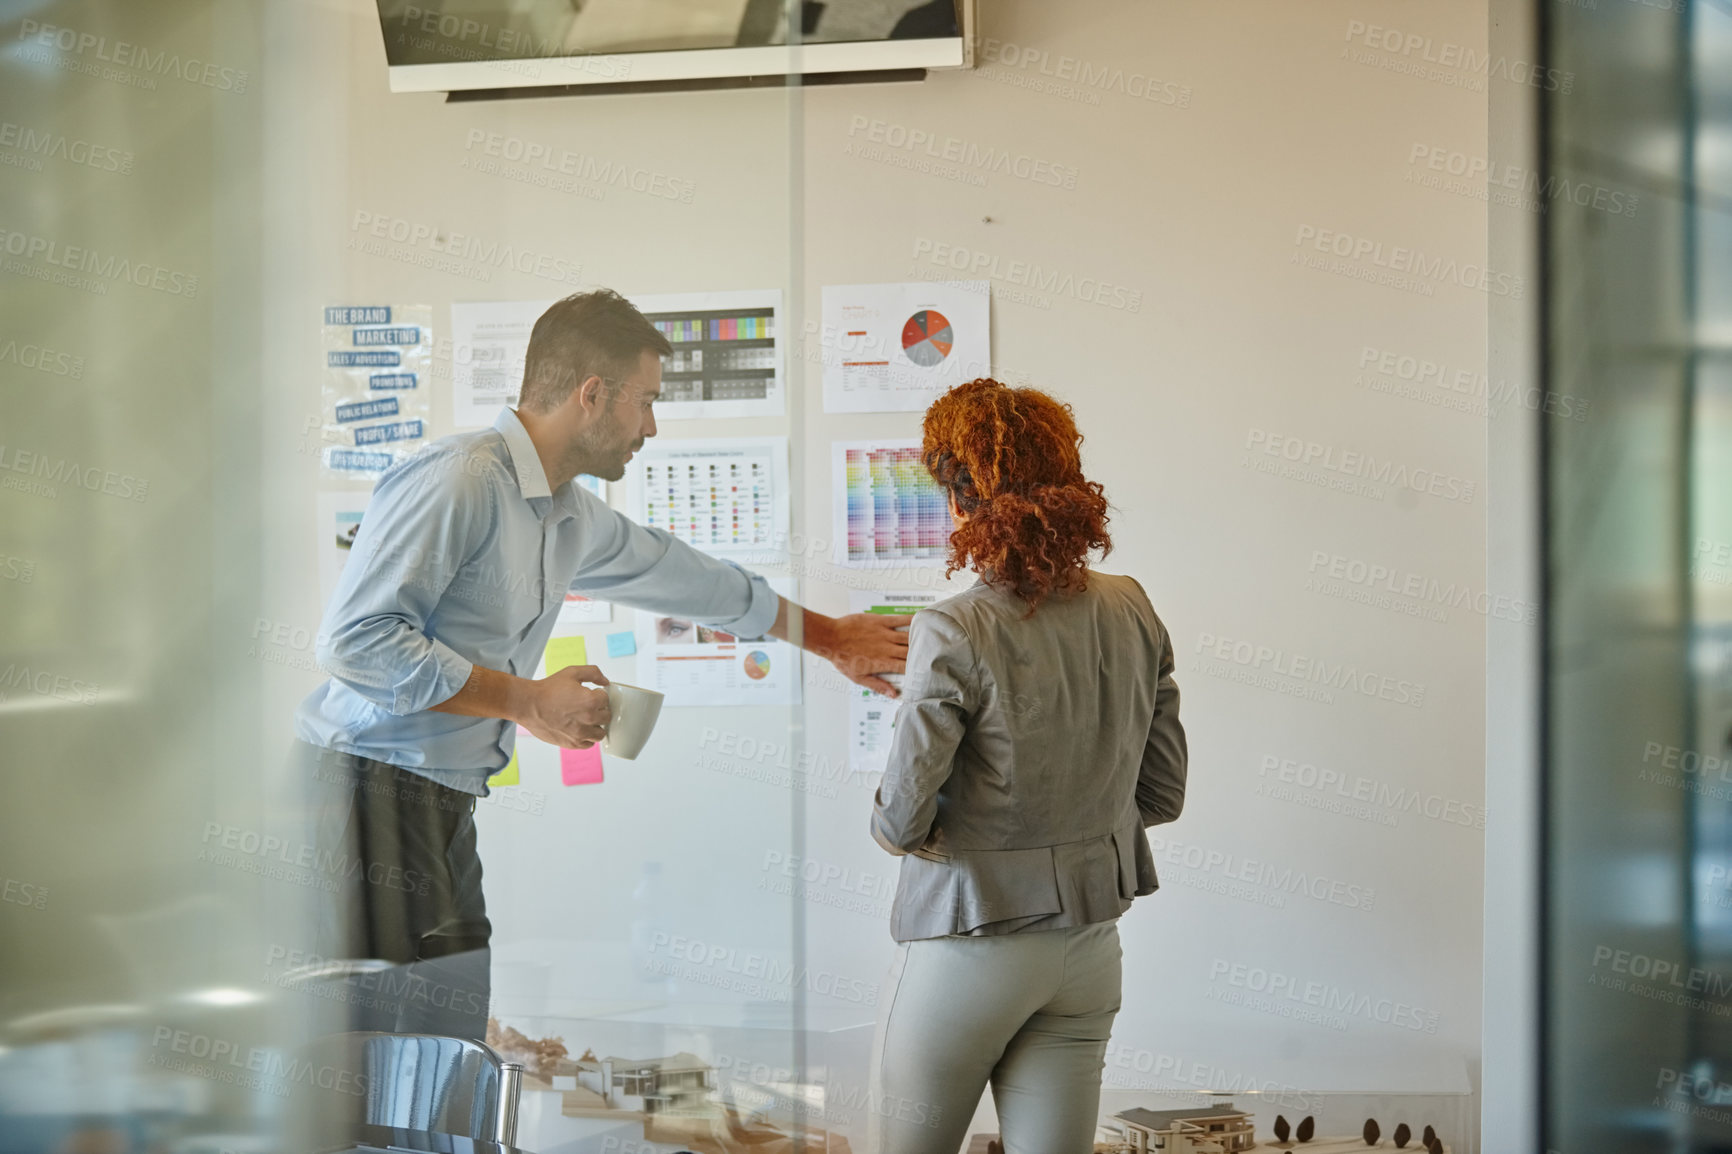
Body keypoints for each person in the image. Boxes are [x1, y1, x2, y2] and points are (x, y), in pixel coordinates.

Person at [293, 289, 911, 1042]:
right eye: (646, 402)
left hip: (443, 802)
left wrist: (828, 637)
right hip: (361, 795)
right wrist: (523, 701)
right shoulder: (460, 480)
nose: (651, 426)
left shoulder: (568, 515)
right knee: (376, 1072)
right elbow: (356, 642)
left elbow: (688, 577)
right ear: (593, 396)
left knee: (447, 1058)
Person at [866, 378, 1187, 1154]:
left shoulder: (952, 627)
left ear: (961, 498)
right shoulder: (1132, 604)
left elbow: (899, 824)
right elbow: (1163, 793)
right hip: (1088, 952)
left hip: (974, 943)